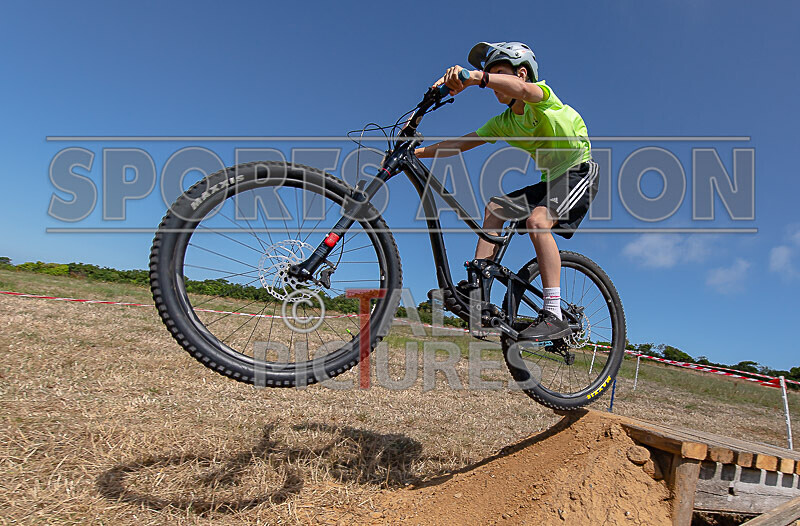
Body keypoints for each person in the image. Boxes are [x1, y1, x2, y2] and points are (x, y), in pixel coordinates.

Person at [415, 41, 598, 341]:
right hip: (549, 181)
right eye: (490, 74)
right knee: (495, 209)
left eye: (498, 72)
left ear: (521, 73)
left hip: (579, 170)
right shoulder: (505, 122)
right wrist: (418, 152)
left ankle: (553, 313)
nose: (491, 81)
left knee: (538, 222)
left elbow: (524, 92)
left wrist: (476, 77)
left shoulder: (542, 97)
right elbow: (460, 144)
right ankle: (479, 294)